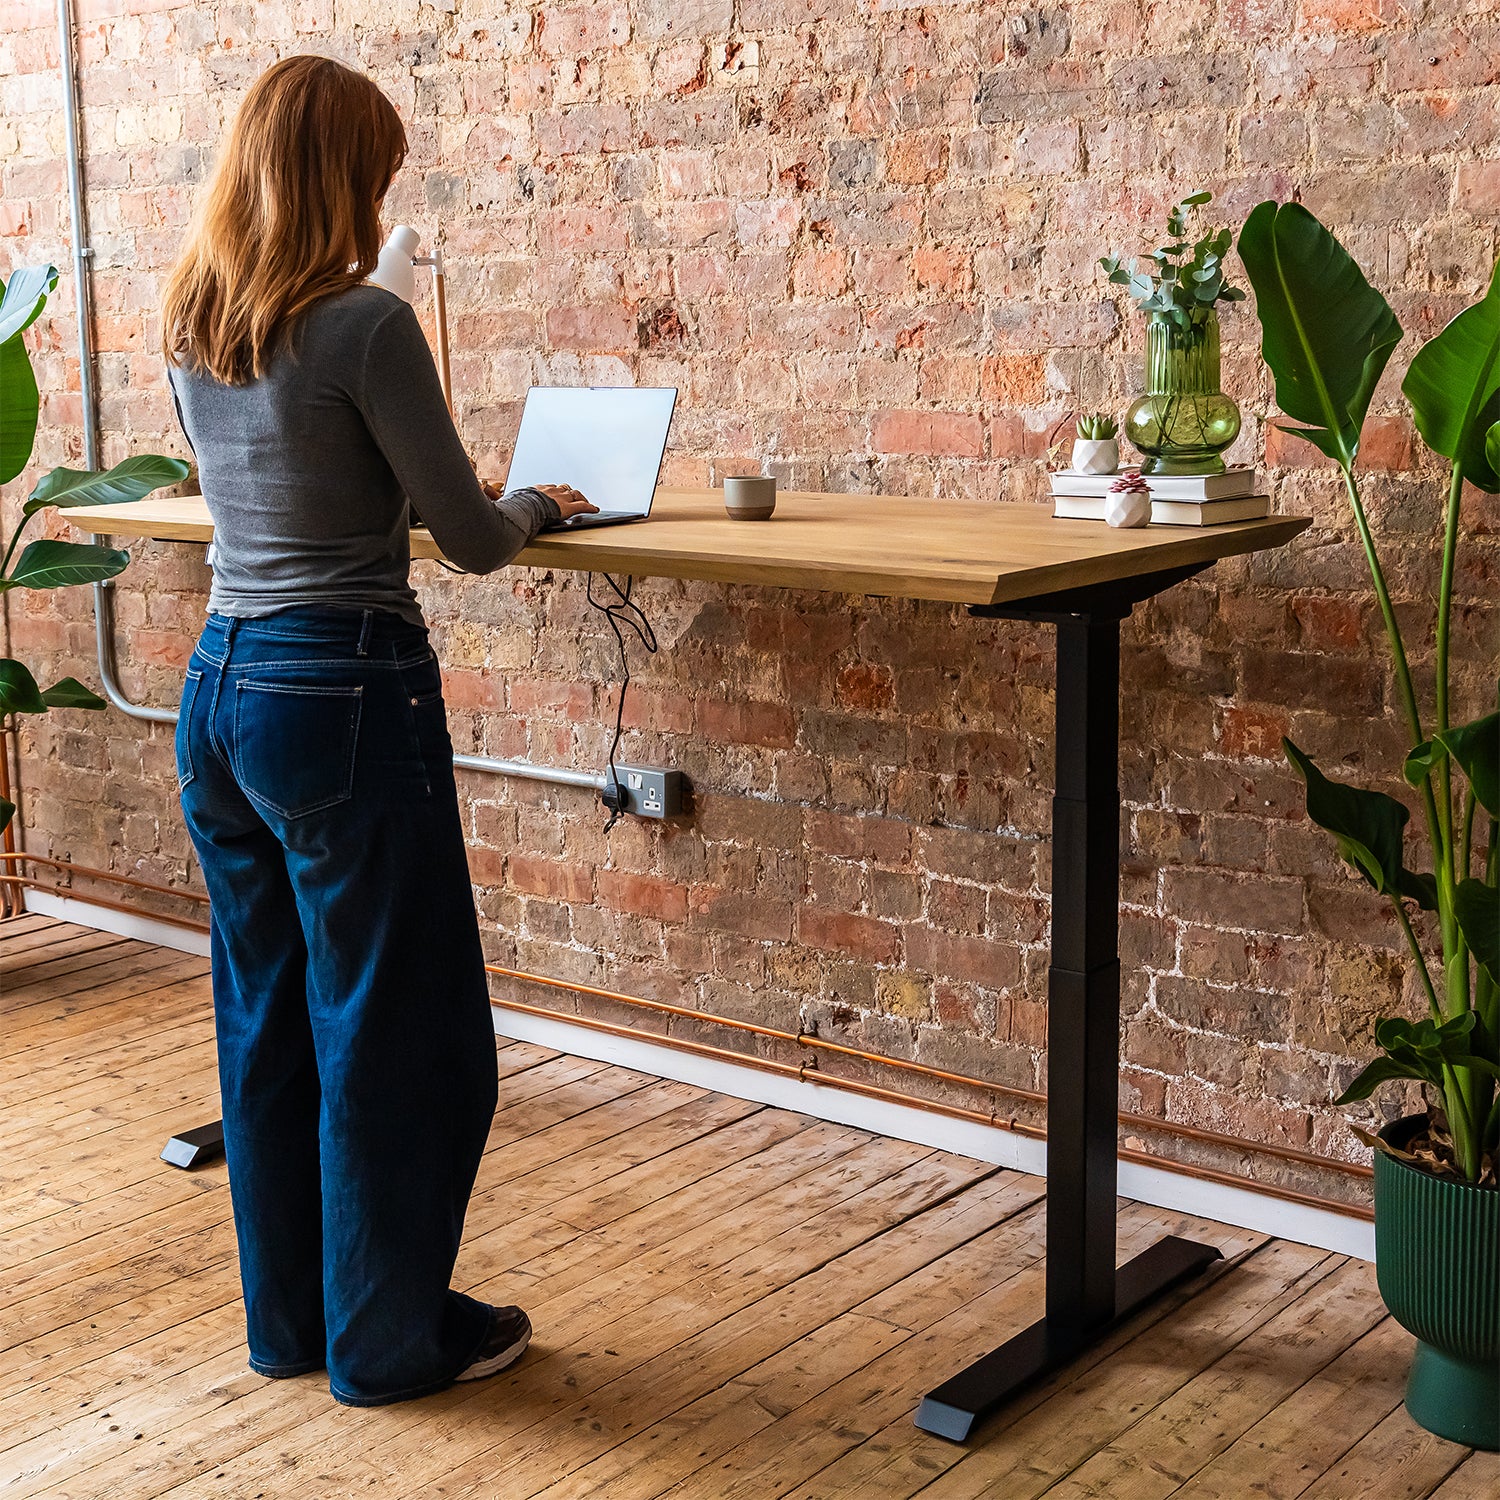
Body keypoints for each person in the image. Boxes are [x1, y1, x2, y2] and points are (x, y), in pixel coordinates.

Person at [161, 54, 597, 1407]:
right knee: (400, 1031)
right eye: (380, 173)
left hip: (220, 695)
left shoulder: (195, 316)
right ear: (345, 176)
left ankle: (298, 1325)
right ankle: (395, 1342)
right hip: (340, 693)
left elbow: (290, 491)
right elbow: (467, 544)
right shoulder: (363, 325)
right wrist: (531, 501)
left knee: (273, 1014)